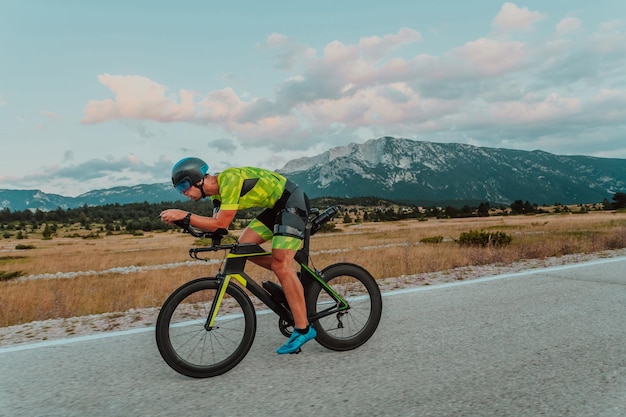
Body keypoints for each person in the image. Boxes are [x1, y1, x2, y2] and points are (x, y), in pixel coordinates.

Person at [159, 157, 316, 354]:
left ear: (197, 179)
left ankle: (303, 329)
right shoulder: (217, 197)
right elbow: (217, 229)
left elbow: (220, 224)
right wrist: (186, 224)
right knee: (243, 246)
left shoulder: (229, 180)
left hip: (292, 201)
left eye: (184, 186)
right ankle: (291, 280)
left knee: (280, 265)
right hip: (275, 208)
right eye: (179, 190)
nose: (184, 193)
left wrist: (185, 215)